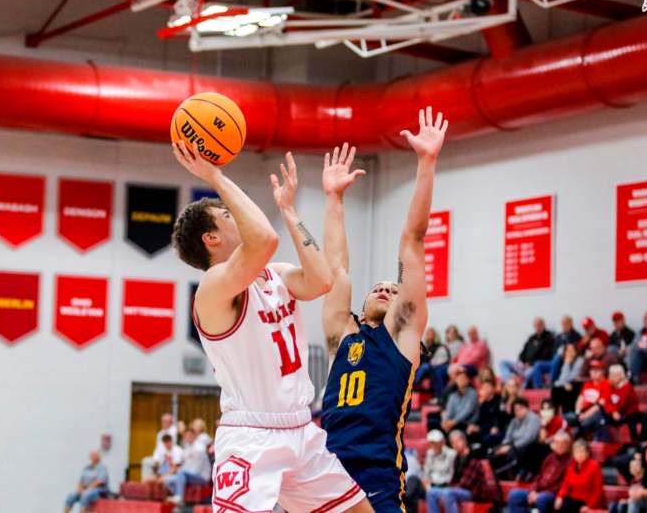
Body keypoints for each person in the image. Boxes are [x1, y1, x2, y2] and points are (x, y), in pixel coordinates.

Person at [172, 139, 372, 512]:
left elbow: (321, 280)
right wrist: (214, 176)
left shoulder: (273, 274)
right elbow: (264, 238)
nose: (237, 216)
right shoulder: (212, 289)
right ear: (211, 238)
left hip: (300, 428)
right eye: (227, 215)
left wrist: (288, 209)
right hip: (252, 437)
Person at [320, 108, 448, 512]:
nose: (383, 287)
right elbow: (336, 269)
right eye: (376, 287)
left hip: (375, 474)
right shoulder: (343, 335)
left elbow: (413, 239)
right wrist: (334, 200)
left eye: (392, 289)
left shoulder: (403, 336)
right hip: (325, 471)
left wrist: (426, 163)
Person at [425, 430, 496, 513]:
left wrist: (450, 487)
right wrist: (450, 486)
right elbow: (453, 477)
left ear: (464, 441)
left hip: (472, 492)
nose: (455, 445)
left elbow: (466, 483)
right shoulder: (457, 457)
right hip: (459, 489)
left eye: (457, 441)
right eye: (453, 443)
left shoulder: (473, 457)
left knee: (449, 493)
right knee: (431, 493)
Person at [507, 431, 572, 513]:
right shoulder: (550, 457)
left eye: (563, 444)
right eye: (557, 443)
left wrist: (539, 494)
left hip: (553, 494)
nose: (559, 446)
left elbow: (564, 484)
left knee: (542, 499)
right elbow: (539, 476)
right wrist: (532, 491)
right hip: (539, 491)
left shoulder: (570, 461)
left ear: (568, 445)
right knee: (514, 495)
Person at [490, 398, 540, 479]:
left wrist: (510, 447)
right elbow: (508, 436)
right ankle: (500, 478)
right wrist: (503, 445)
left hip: (528, 446)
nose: (518, 412)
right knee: (494, 451)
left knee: (511, 453)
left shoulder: (533, 419)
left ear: (526, 408)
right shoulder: (514, 421)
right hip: (512, 444)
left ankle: (513, 477)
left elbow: (528, 438)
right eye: (516, 410)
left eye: (520, 409)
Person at [501, 318, 555, 385]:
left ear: (544, 325)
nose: (537, 327)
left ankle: (521, 387)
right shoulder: (531, 338)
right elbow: (523, 352)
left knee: (530, 372)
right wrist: (521, 361)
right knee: (503, 363)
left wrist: (530, 364)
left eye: (539, 325)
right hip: (523, 366)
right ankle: (508, 381)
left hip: (533, 367)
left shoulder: (549, 338)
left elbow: (546, 356)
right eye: (536, 325)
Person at [163, 429, 211, 504]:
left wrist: (182, 474)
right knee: (167, 479)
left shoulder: (200, 448)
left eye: (189, 435)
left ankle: (179, 497)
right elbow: (184, 466)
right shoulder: (186, 448)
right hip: (188, 474)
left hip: (202, 476)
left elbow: (197, 469)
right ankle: (180, 498)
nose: (188, 437)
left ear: (194, 436)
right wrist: (181, 474)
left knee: (181, 473)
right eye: (186, 436)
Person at [554, 439, 603, 513]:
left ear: (587, 453)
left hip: (586, 501)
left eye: (582, 452)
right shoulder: (571, 466)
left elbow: (598, 490)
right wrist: (559, 497)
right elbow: (565, 485)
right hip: (573, 500)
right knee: (558, 506)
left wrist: (589, 506)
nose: (579, 455)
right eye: (577, 452)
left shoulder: (594, 466)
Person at [566, 360, 610, 438]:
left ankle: (574, 435)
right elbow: (580, 399)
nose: (594, 372)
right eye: (592, 370)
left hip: (596, 413)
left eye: (597, 370)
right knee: (566, 417)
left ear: (603, 371)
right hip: (583, 412)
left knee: (587, 422)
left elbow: (600, 405)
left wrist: (585, 415)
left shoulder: (606, 384)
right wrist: (578, 412)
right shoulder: (587, 384)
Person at [603, 363, 641, 441]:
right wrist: (613, 411)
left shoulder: (627, 387)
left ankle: (635, 444)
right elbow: (607, 400)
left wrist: (614, 411)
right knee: (600, 415)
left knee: (632, 420)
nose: (612, 377)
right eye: (611, 375)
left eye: (615, 375)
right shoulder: (608, 385)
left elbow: (622, 404)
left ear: (621, 375)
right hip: (616, 413)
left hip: (629, 413)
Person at [466, 379, 504, 448]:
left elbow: (497, 418)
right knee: (468, 433)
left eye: (487, 387)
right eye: (483, 388)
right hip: (485, 428)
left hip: (497, 427)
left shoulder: (499, 400)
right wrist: (473, 426)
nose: (485, 389)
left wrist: (480, 428)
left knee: (487, 437)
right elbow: (480, 419)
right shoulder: (484, 404)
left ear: (493, 388)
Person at [415, 328, 451, 397]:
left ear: (435, 336)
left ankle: (415, 384)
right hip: (422, 368)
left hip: (431, 368)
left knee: (425, 366)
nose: (429, 335)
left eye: (431, 334)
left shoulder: (438, 346)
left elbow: (434, 361)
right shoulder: (423, 347)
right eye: (427, 333)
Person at [440, 369, 478, 433]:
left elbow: (466, 411)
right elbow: (449, 411)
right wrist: (445, 421)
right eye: (459, 378)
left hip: (468, 421)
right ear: (456, 380)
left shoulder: (473, 393)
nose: (461, 380)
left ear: (468, 380)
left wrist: (453, 422)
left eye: (463, 378)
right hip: (455, 422)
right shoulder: (453, 396)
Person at [552, 343, 585, 413]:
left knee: (568, 388)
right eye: (568, 351)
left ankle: (569, 413)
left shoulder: (580, 360)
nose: (570, 353)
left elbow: (572, 377)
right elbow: (562, 379)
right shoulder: (562, 361)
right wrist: (566, 363)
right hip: (567, 383)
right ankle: (555, 413)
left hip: (578, 384)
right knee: (556, 389)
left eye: (572, 350)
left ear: (576, 351)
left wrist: (566, 364)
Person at [628, 311, 647, 384]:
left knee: (640, 352)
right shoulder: (640, 332)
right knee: (635, 352)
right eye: (645, 319)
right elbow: (634, 346)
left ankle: (632, 376)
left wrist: (644, 347)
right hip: (642, 359)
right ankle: (632, 377)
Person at [403, 447, 423, 513]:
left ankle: (404, 497)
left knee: (412, 479)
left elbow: (418, 475)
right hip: (404, 487)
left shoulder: (411, 458)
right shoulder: (393, 460)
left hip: (417, 486)